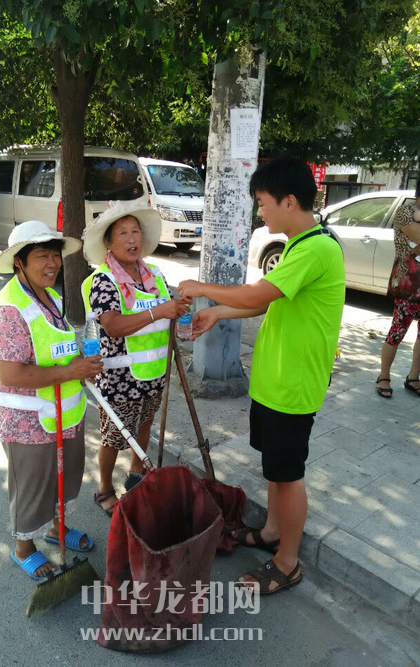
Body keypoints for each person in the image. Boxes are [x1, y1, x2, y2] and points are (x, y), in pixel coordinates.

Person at [178, 157, 345, 595]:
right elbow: (267, 301)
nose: (260, 211)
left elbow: (257, 293)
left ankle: (287, 563)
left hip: (294, 385)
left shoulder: (316, 249)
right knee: (275, 467)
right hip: (275, 381)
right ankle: (272, 532)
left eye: (263, 202)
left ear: (289, 202)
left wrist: (203, 289)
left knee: (288, 476)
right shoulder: (298, 244)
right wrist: (218, 311)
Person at [0, 221, 103, 580]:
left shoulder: (52, 297)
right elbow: (11, 374)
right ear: (19, 261)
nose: (52, 263)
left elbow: (54, 350)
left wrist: (81, 364)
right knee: (32, 488)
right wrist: (70, 371)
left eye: (55, 255)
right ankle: (23, 548)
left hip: (64, 412)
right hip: (27, 422)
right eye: (41, 256)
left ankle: (56, 529)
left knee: (64, 478)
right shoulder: (8, 310)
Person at [81, 198, 188, 516]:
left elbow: (169, 311)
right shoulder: (104, 280)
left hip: (154, 373)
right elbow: (112, 326)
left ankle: (136, 478)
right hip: (119, 378)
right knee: (114, 437)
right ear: (109, 243)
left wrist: (181, 315)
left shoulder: (154, 274)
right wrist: (160, 311)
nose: (132, 239)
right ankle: (104, 489)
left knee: (144, 426)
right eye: (123, 233)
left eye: (136, 231)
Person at [376, 182, 420, 399]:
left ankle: (413, 377)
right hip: (408, 283)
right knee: (398, 330)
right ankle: (384, 376)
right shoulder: (405, 211)